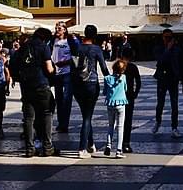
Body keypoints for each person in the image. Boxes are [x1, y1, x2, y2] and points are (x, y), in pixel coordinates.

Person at [9, 27, 56, 157]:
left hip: (26, 86)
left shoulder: (23, 47)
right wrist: (54, 73)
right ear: (45, 38)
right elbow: (49, 68)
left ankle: (29, 148)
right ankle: (47, 147)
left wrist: (17, 78)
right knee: (47, 113)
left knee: (29, 118)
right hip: (41, 84)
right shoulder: (43, 47)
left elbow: (13, 64)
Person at [73, 25, 109, 158]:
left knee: (85, 116)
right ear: (95, 36)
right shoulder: (96, 49)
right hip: (91, 84)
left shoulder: (77, 48)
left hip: (77, 85)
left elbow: (74, 65)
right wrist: (112, 79)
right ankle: (82, 148)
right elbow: (104, 68)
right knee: (87, 117)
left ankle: (91, 144)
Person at [153, 28, 183, 138]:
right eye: (166, 37)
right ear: (162, 38)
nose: (168, 39)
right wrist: (167, 49)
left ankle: (174, 127)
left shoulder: (177, 49)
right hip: (162, 78)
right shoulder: (159, 48)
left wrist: (182, 80)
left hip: (173, 79)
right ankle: (158, 121)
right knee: (160, 103)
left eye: (170, 37)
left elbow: (180, 64)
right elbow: (161, 60)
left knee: (174, 104)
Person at [51, 22, 78, 133]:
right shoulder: (53, 41)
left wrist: (65, 62)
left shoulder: (70, 41)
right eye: (56, 27)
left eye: (60, 28)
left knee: (67, 100)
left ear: (65, 30)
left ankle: (64, 124)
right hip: (56, 74)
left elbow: (76, 57)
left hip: (67, 73)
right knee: (58, 100)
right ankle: (60, 123)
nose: (57, 29)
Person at [103, 59, 128, 159]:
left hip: (110, 104)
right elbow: (125, 89)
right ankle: (118, 150)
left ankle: (108, 145)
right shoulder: (124, 78)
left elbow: (105, 92)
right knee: (120, 126)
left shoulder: (107, 78)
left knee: (111, 125)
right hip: (121, 103)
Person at [121, 47, 140, 153]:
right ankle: (126, 143)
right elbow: (139, 82)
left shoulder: (118, 65)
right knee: (128, 120)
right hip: (129, 96)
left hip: (119, 96)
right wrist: (135, 93)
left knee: (118, 121)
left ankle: (116, 144)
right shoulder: (133, 67)